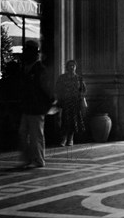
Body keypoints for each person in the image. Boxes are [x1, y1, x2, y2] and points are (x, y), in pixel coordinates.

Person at [18, 40, 53, 169]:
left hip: (36, 108)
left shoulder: (39, 69)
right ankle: (29, 159)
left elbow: (46, 88)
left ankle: (38, 160)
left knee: (36, 135)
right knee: (23, 133)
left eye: (27, 50)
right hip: (28, 106)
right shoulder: (27, 68)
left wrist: (48, 104)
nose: (24, 53)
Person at [56, 60, 86, 147]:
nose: (72, 67)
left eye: (73, 65)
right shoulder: (62, 78)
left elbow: (83, 90)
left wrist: (80, 98)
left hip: (75, 103)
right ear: (67, 67)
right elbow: (58, 89)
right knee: (64, 121)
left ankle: (70, 138)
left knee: (74, 121)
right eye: (70, 65)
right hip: (65, 103)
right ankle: (63, 138)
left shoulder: (79, 78)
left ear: (76, 67)